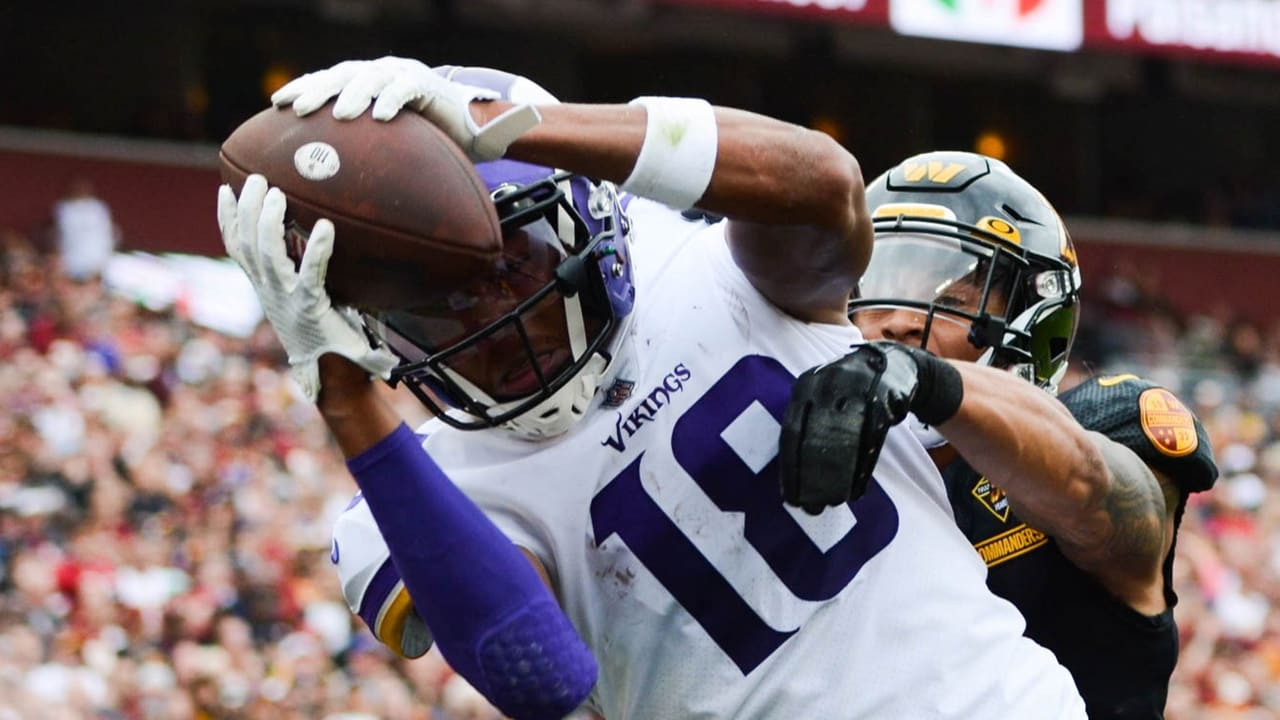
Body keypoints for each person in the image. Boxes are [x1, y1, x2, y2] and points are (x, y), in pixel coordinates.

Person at [220, 58, 1086, 719]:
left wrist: (512, 126)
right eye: (439, 309)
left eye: (515, 271)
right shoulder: (409, 504)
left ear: (587, 221)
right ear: (367, 334)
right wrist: (344, 398)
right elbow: (538, 672)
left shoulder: (713, 270)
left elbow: (825, 184)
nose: (494, 319)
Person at [781, 150, 1218, 719]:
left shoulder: (1098, 429)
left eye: (952, 299)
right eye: (879, 286)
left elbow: (1101, 498)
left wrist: (933, 383)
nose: (897, 319)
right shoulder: (815, 451)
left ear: (1032, 321)